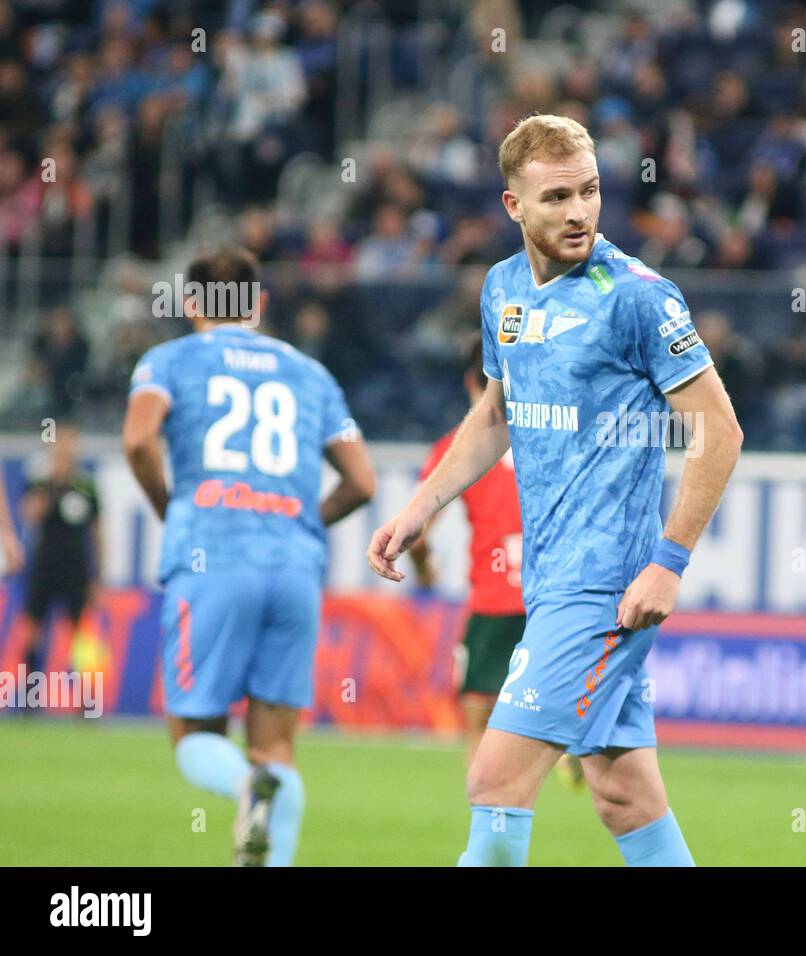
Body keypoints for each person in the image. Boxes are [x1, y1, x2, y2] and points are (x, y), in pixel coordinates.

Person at [367, 114, 744, 867]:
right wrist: (422, 506)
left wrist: (669, 560)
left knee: (494, 783)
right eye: (557, 198)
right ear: (514, 207)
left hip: (604, 586)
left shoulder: (638, 296)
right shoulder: (502, 288)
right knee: (622, 793)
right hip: (548, 581)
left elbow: (720, 429)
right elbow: (496, 413)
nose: (578, 212)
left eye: (591, 192)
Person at [123, 248, 375, 866]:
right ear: (259, 305)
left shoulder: (169, 361)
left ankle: (241, 786)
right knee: (277, 750)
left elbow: (136, 439)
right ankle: (261, 805)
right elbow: (363, 482)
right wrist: (296, 520)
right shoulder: (309, 373)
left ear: (189, 306)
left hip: (212, 556)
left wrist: (171, 506)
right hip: (293, 566)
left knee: (194, 738)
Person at [408, 339, 584, 786]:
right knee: (545, 695)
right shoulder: (556, 438)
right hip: (550, 596)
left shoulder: (456, 447)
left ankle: (489, 815)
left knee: (480, 718)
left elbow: (418, 529)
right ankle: (565, 740)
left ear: (471, 382)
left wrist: (425, 568)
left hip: (492, 600)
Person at [14, 424, 100, 675]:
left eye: (71, 445)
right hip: (44, 564)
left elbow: (97, 531)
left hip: (76, 567)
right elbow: (30, 514)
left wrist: (98, 574)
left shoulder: (86, 485)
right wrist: (53, 484)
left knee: (82, 632)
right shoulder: (40, 480)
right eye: (61, 445)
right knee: (33, 628)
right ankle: (30, 696)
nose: (66, 451)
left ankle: (86, 700)